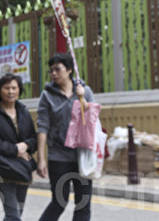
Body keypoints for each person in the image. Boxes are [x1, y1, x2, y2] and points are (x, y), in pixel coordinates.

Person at [37, 53, 95, 221]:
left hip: (82, 155)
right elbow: (42, 127)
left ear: (69, 70)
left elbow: (93, 118)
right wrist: (41, 159)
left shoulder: (85, 91)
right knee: (59, 202)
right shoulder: (47, 95)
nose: (53, 73)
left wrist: (82, 98)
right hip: (58, 157)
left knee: (83, 204)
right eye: (51, 71)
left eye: (58, 69)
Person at [0, 73, 37, 221]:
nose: (11, 91)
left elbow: (33, 138)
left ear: (19, 90)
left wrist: (25, 145)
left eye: (14, 88)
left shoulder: (23, 111)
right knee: (13, 216)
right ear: (0, 90)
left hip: (22, 170)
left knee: (16, 214)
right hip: (1, 169)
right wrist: (15, 150)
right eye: (7, 88)